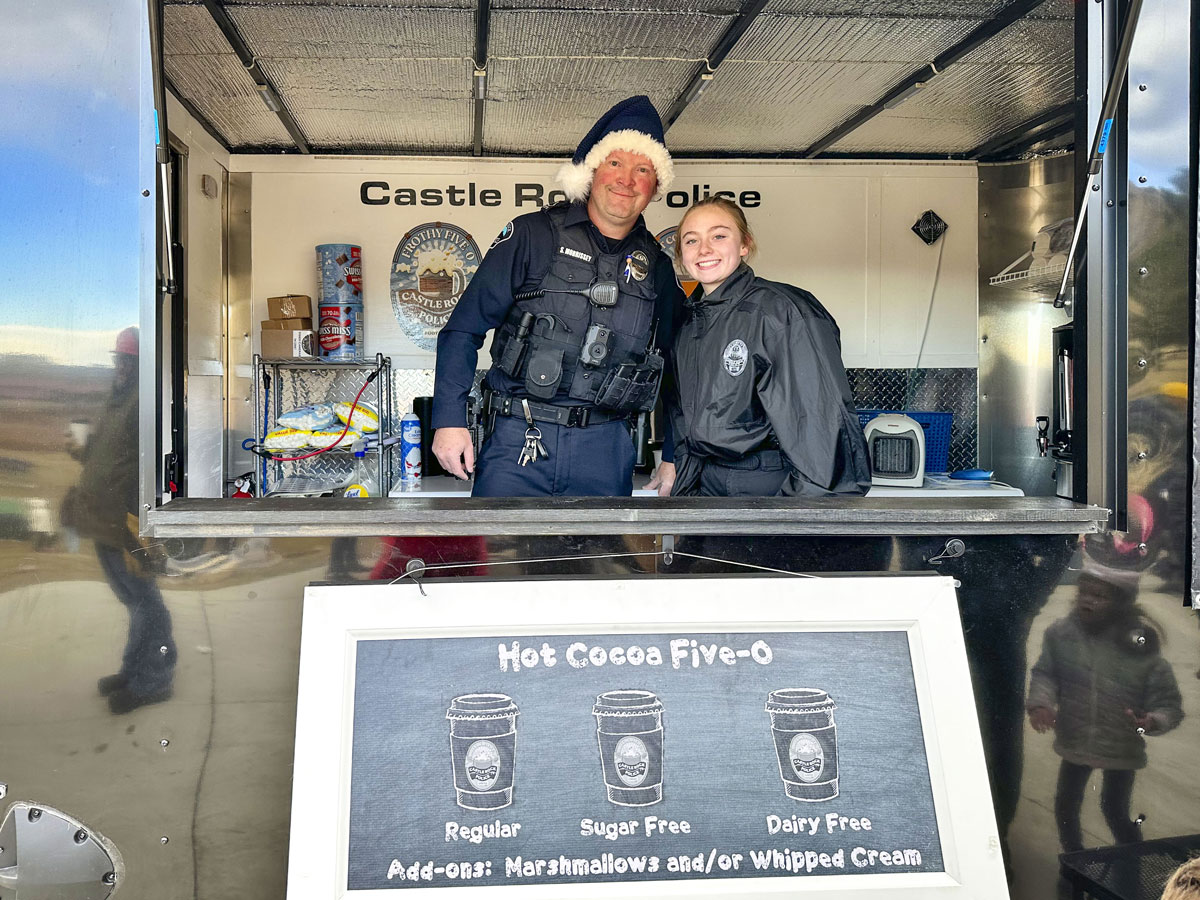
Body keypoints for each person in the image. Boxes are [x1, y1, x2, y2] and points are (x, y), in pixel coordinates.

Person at [432, 95, 683, 497]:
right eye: (615, 163)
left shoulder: (658, 267)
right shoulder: (532, 235)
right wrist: (449, 420)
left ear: (655, 186)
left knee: (601, 544)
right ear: (591, 171)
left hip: (606, 449)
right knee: (498, 541)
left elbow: (676, 367)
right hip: (518, 439)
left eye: (643, 169)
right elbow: (463, 329)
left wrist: (671, 453)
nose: (626, 180)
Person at [657, 197, 870, 497]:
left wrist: (806, 514)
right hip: (705, 482)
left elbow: (819, 428)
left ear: (744, 244)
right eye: (691, 240)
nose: (704, 249)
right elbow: (682, 418)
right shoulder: (688, 323)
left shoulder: (782, 312)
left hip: (765, 481)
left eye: (719, 236)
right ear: (681, 254)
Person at [1026, 556, 1183, 853]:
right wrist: (1041, 704)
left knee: (1114, 810)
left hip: (1120, 746)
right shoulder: (1061, 634)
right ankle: (1074, 860)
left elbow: (1168, 702)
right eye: (1083, 592)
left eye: (1099, 596)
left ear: (1121, 603)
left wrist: (1153, 720)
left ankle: (1132, 859)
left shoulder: (1139, 646)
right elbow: (1046, 673)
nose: (1088, 600)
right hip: (1076, 739)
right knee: (1065, 806)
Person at [60, 326, 177, 714]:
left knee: (148, 605)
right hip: (103, 521)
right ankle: (133, 672)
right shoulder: (118, 400)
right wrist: (83, 450)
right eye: (120, 359)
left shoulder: (144, 404)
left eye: (130, 361)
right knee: (135, 603)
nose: (122, 367)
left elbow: (151, 467)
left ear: (142, 364)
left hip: (127, 526)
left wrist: (144, 529)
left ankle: (155, 681)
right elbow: (110, 457)